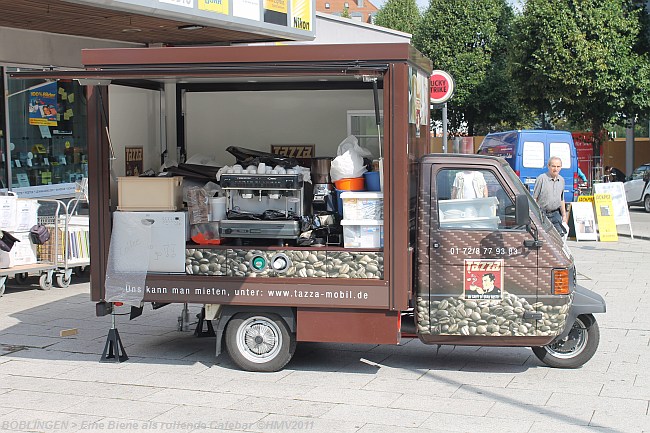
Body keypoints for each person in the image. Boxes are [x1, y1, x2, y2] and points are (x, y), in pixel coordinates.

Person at [533, 156, 568, 237]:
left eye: (558, 166)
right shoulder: (541, 179)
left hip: (555, 214)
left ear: (561, 167)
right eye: (553, 166)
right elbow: (534, 198)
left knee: (559, 236)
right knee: (543, 237)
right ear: (548, 166)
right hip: (542, 214)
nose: (556, 169)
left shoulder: (562, 180)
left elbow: (562, 199)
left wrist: (564, 216)